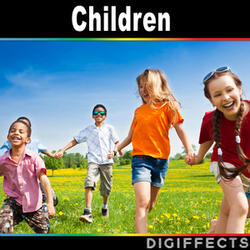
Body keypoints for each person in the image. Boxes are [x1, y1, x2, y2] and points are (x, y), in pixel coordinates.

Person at [117, 69, 194, 233]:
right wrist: (118, 147)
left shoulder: (168, 106)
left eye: (146, 86)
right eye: (140, 87)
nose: (142, 90)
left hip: (161, 161)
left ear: (157, 86)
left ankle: (139, 218)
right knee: (143, 202)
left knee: (150, 205)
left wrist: (189, 150)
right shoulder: (138, 111)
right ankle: (141, 224)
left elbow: (180, 130)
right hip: (141, 160)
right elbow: (130, 136)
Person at [187, 66, 250, 234]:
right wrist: (198, 157)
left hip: (246, 168)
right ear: (211, 100)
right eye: (218, 94)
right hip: (223, 162)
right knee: (240, 206)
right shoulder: (209, 119)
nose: (226, 97)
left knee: (228, 210)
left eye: (229, 90)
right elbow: (207, 140)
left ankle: (215, 231)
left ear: (239, 88)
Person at [55, 104, 119, 223]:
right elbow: (75, 140)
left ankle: (105, 206)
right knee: (89, 182)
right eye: (95, 113)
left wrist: (114, 152)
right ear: (92, 116)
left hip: (106, 161)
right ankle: (87, 212)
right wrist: (63, 150)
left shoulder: (110, 128)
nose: (98, 115)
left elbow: (117, 142)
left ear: (105, 116)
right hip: (93, 161)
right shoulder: (88, 130)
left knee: (106, 187)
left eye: (101, 113)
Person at [0, 120, 55, 233]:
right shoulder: (3, 160)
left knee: (44, 230)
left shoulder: (35, 159)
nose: (16, 133)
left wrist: (50, 203)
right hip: (13, 202)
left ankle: (43, 209)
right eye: (13, 131)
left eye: (21, 132)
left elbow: (44, 180)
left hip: (33, 204)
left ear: (28, 139)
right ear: (8, 137)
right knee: (2, 225)